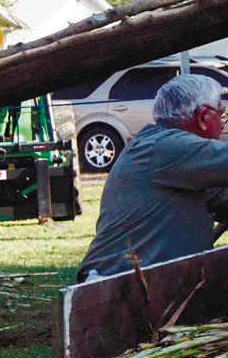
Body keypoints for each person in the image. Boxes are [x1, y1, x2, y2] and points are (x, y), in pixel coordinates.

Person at [77, 74, 228, 282]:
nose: (222, 124)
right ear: (202, 117)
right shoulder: (167, 148)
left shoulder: (175, 157)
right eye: (221, 113)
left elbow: (222, 199)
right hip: (117, 289)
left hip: (144, 284)